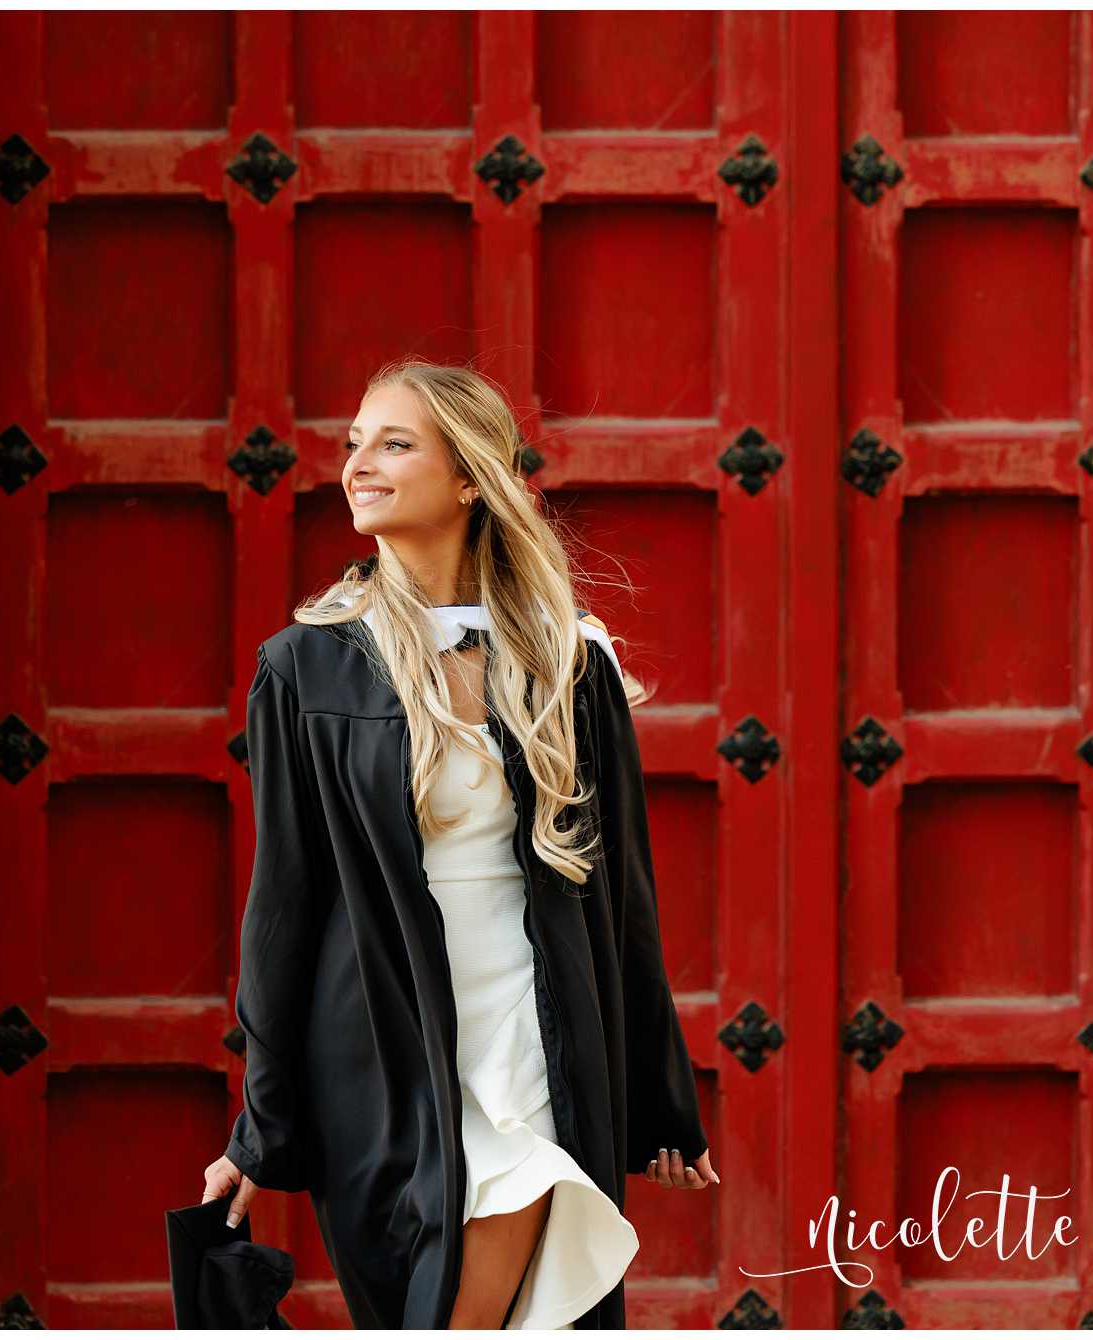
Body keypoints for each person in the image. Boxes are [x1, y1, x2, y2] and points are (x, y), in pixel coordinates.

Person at [199, 357, 717, 1329]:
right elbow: (281, 908)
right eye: (354, 441)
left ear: (470, 476)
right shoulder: (308, 667)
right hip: (379, 1051)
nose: (358, 463)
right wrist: (261, 1125)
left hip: (529, 1023)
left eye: (393, 442)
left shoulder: (567, 663)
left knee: (469, 1298)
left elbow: (621, 897)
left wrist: (656, 1097)